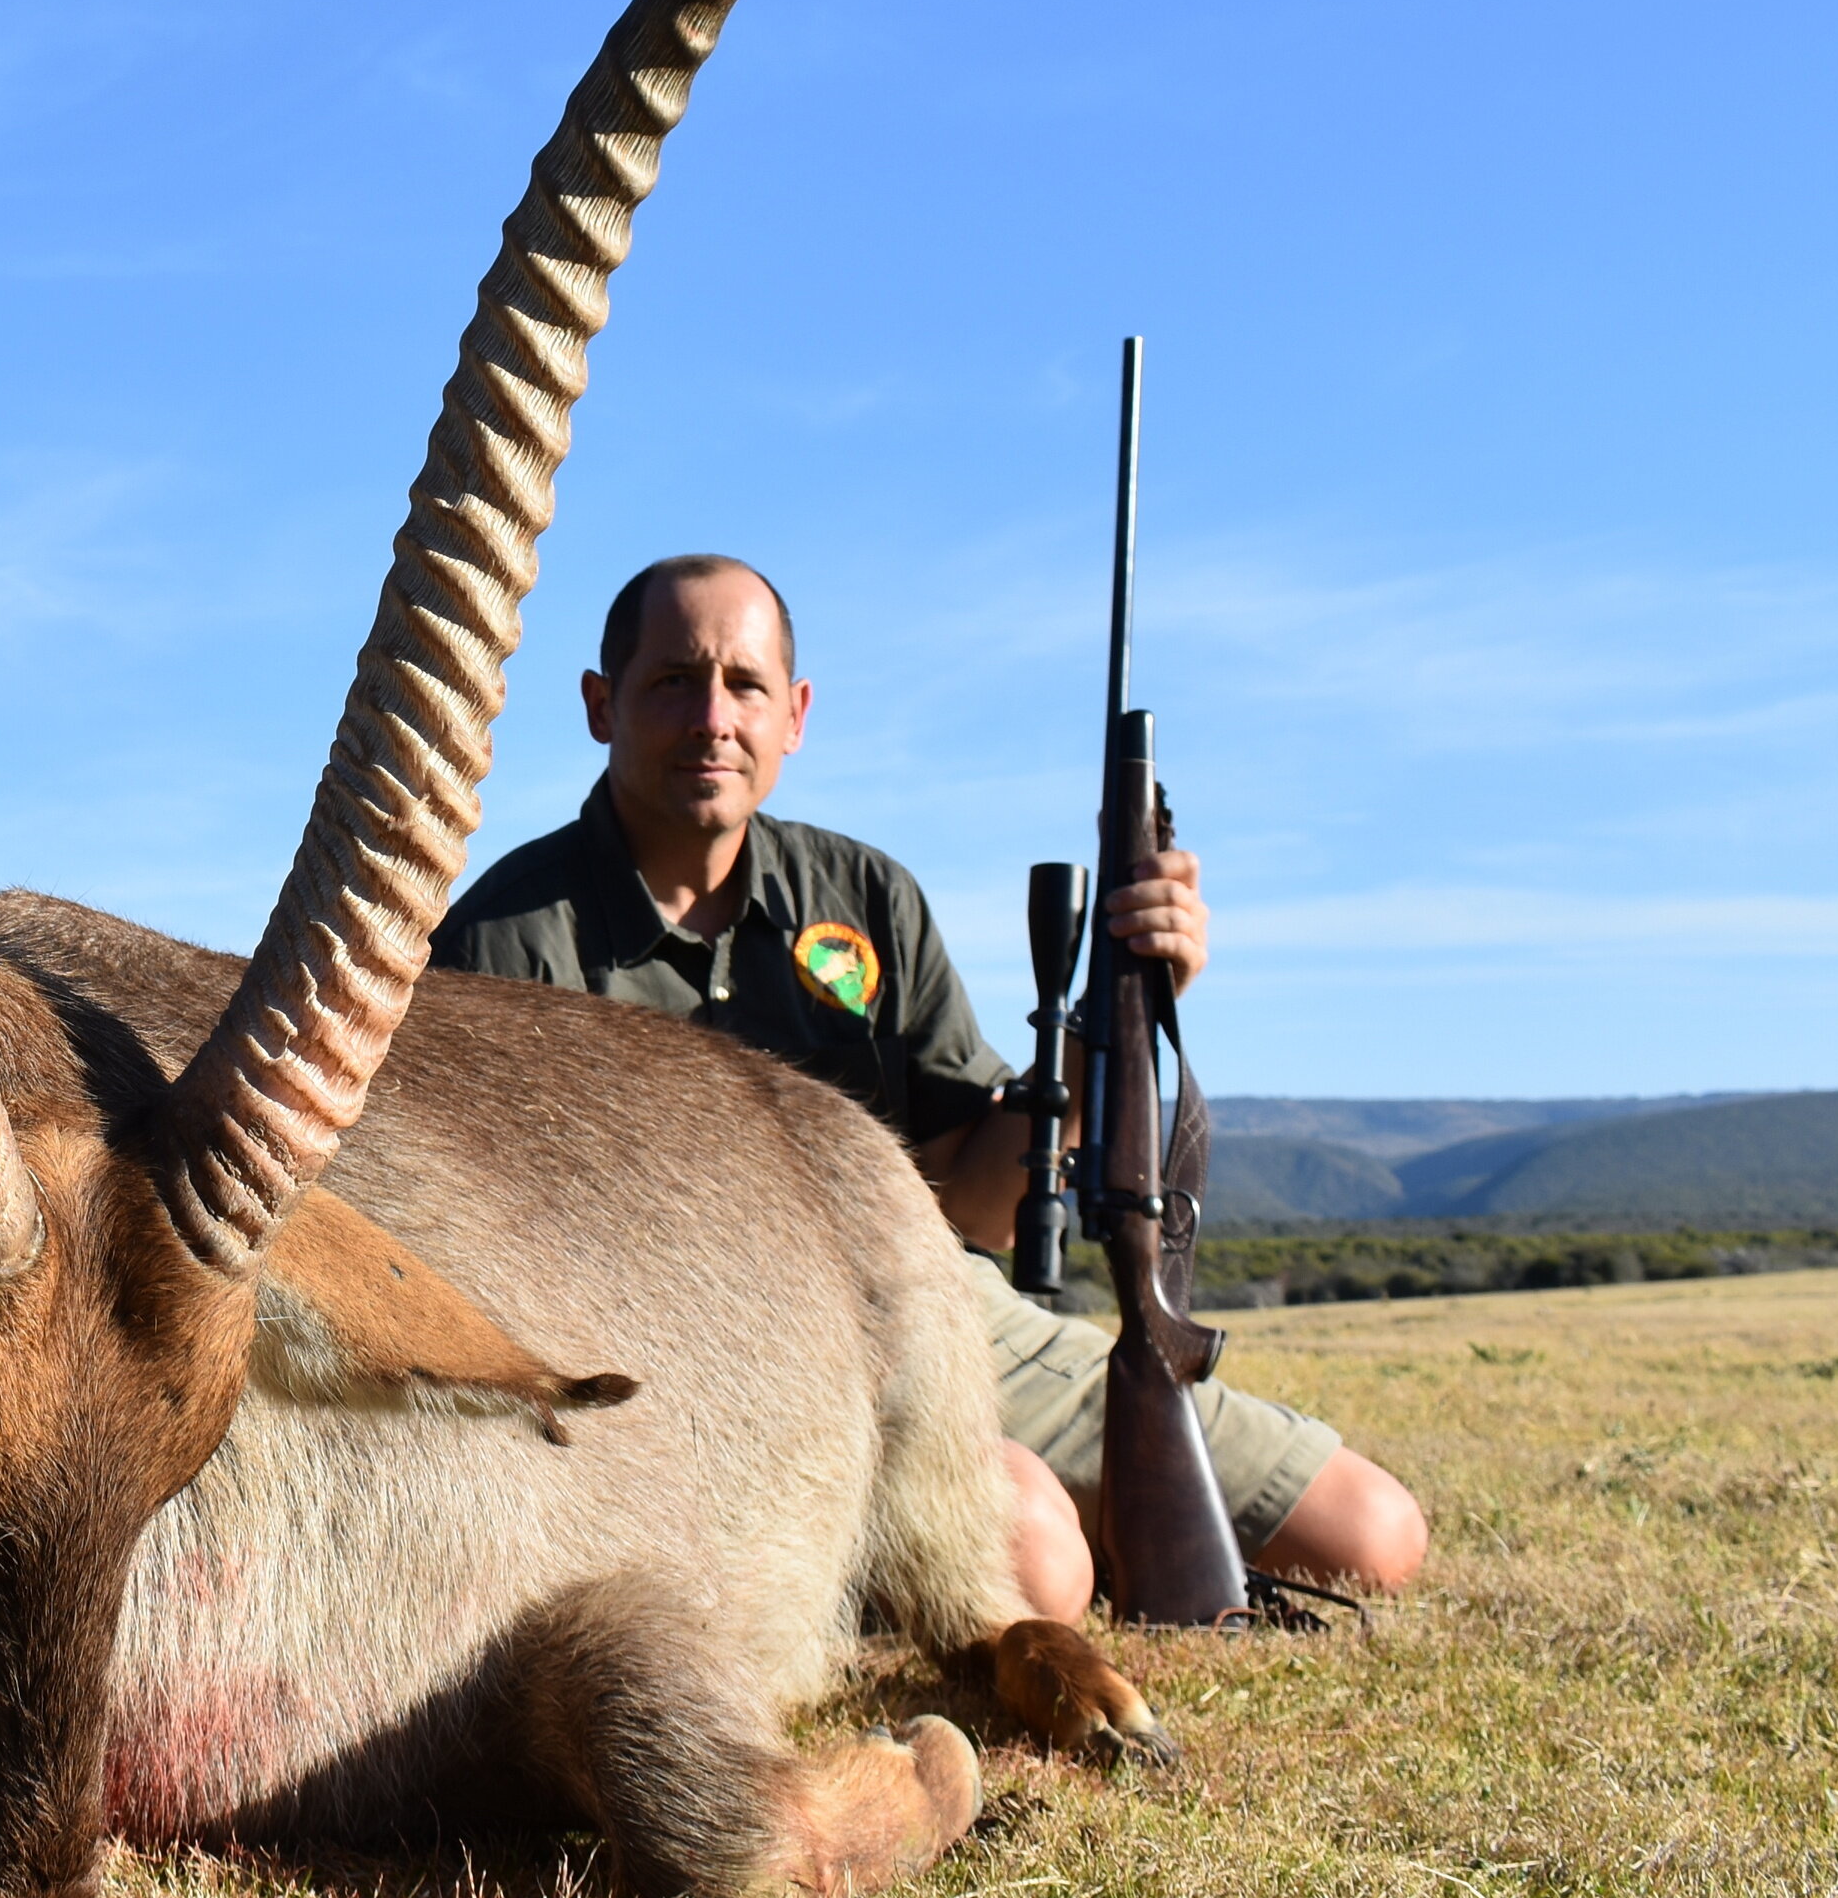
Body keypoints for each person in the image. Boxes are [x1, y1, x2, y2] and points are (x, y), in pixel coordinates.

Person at [432, 551, 1429, 1618]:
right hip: (687, 1370)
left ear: (796, 715)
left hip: (929, 1317)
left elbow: (977, 1203)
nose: (713, 716)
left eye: (746, 684)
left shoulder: (866, 895)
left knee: (1374, 1536)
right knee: (1040, 1561)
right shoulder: (503, 939)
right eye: (674, 680)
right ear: (601, 705)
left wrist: (1122, 1016)